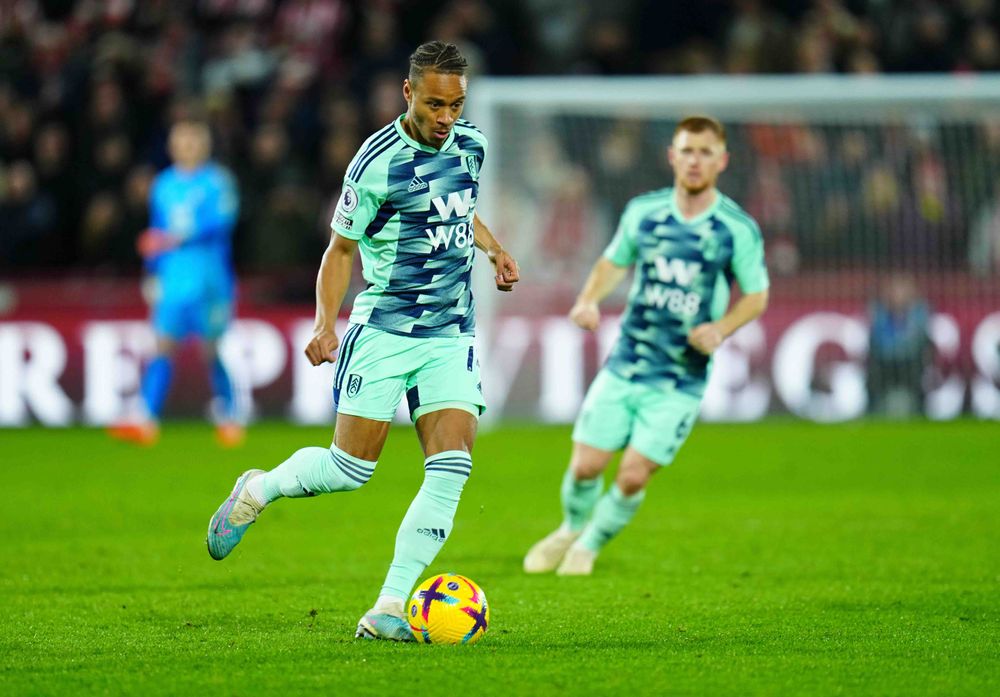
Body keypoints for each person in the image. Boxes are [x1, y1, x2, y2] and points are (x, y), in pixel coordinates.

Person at [205, 41, 519, 641]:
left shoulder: (471, 145)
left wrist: (495, 249)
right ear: (408, 94)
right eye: (434, 104)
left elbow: (459, 209)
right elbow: (340, 250)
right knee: (350, 470)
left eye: (455, 104)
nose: (446, 118)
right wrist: (326, 322)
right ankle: (259, 487)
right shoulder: (374, 163)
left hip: (450, 333)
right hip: (384, 331)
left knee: (452, 466)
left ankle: (388, 607)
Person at [523, 116, 769, 576]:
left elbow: (756, 295)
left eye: (705, 152)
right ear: (672, 156)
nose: (695, 161)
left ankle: (589, 545)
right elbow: (613, 262)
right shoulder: (644, 212)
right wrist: (588, 300)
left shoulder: (736, 228)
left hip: (681, 376)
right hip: (627, 363)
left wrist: (721, 328)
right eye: (687, 151)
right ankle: (569, 527)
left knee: (633, 474)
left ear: (722, 160)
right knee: (585, 468)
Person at [108, 118, 243, 447]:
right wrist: (151, 273)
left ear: (205, 144)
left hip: (210, 276)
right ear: (171, 146)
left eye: (194, 140)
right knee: (163, 345)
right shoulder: (164, 185)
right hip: (173, 277)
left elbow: (223, 222)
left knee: (211, 348)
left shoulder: (218, 182)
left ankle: (230, 415)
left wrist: (177, 237)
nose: (188, 146)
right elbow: (156, 234)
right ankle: (146, 418)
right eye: (182, 141)